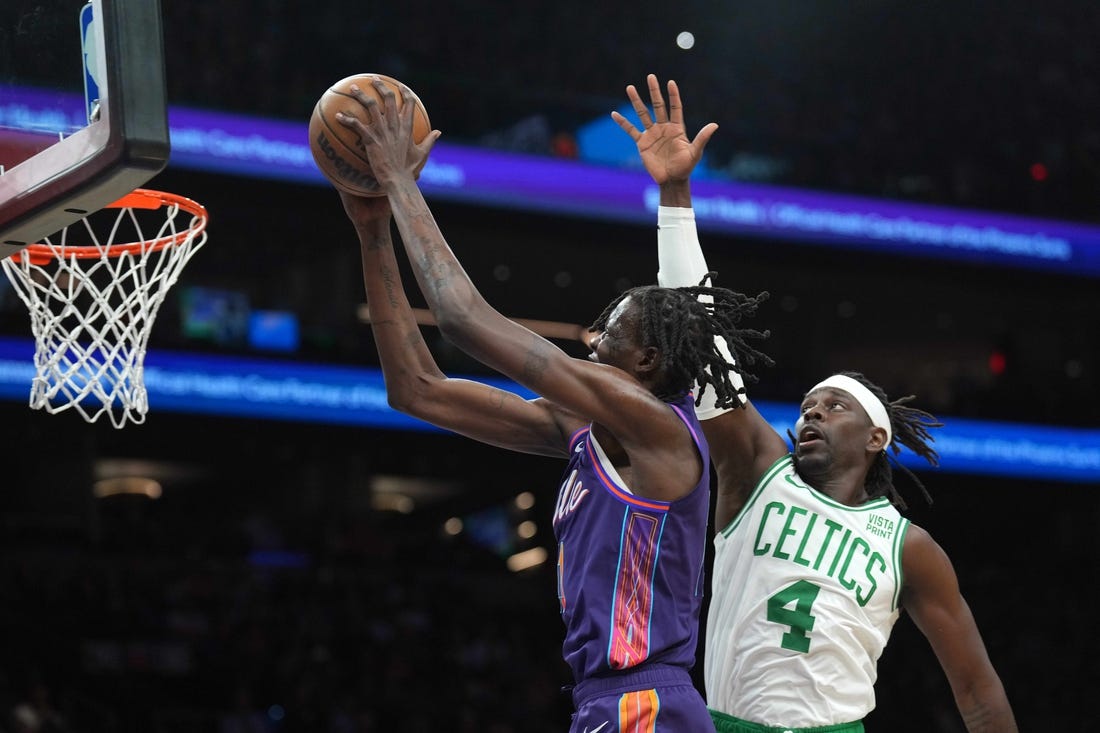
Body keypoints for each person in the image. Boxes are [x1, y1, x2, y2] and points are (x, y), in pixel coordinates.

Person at [335, 75, 771, 731]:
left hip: (646, 705)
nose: (592, 338)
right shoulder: (588, 431)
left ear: (647, 362)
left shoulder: (657, 426)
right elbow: (417, 389)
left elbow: (461, 319)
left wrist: (401, 183)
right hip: (605, 703)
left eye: (612, 329)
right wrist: (372, 231)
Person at [612, 75, 1019, 732]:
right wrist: (675, 194)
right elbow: (701, 336)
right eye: (807, 404)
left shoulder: (909, 548)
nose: (812, 413)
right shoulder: (754, 470)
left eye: (833, 407)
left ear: (876, 437)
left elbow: (977, 691)